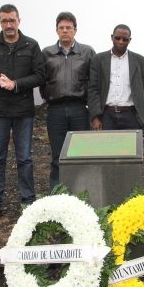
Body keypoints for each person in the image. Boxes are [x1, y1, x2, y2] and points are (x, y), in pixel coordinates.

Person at [0, 4, 45, 224]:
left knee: (25, 159)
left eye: (12, 20)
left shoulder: (31, 45)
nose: (9, 25)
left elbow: (40, 75)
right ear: (0, 21)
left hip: (23, 111)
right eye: (4, 21)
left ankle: (28, 205)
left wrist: (16, 84)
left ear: (19, 21)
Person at [41, 12, 96, 192]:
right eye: (61, 28)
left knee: (80, 154)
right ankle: (57, 195)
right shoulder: (47, 53)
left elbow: (94, 80)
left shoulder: (87, 52)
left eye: (68, 28)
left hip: (79, 109)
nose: (65, 31)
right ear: (56, 30)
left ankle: (82, 193)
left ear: (75, 30)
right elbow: (42, 80)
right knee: (57, 155)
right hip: (55, 110)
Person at [88, 24, 144, 131]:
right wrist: (95, 116)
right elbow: (93, 89)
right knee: (107, 147)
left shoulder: (140, 61)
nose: (121, 41)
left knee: (131, 148)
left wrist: (142, 117)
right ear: (112, 37)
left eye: (125, 39)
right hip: (106, 116)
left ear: (129, 40)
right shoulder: (98, 59)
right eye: (117, 38)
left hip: (131, 116)